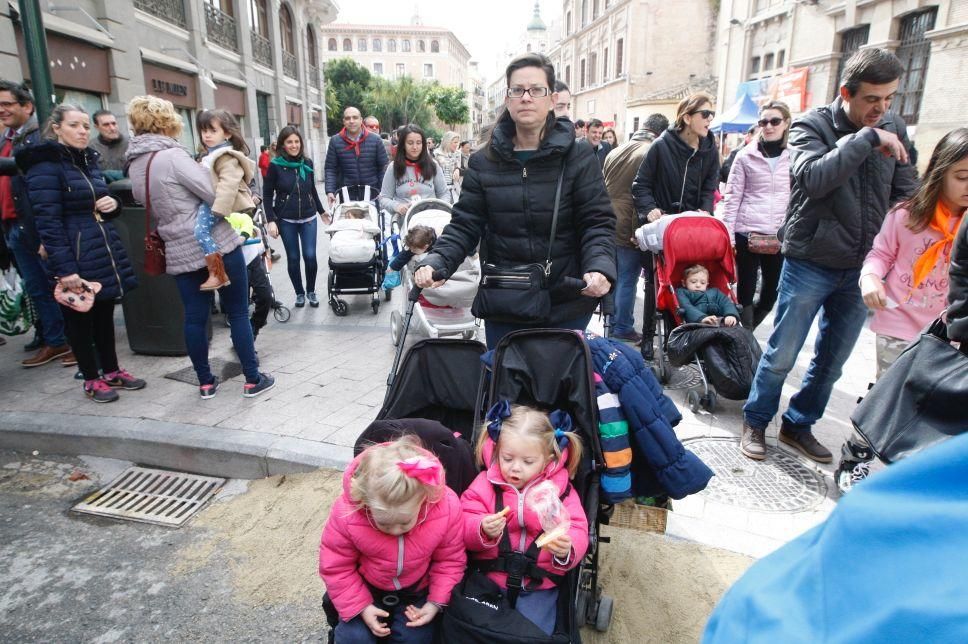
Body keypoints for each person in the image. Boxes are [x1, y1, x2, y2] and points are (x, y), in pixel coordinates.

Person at [740, 48, 918, 463]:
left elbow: (908, 191)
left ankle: (798, 425)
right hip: (809, 261)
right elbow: (814, 178)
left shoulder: (894, 126)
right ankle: (756, 420)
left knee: (832, 361)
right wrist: (867, 139)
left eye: (890, 98)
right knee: (782, 353)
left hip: (862, 268)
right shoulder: (811, 124)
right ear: (847, 92)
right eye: (873, 99)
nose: (883, 108)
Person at [414, 53, 615, 349]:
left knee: (560, 389)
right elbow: (465, 225)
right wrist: (438, 261)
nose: (526, 97)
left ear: (551, 98)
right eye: (517, 90)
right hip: (505, 296)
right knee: (506, 388)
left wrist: (599, 266)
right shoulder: (483, 161)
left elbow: (596, 220)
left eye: (536, 90)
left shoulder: (579, 156)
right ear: (507, 99)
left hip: (566, 299)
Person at [833, 127, 968, 492]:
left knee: (931, 407)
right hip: (898, 325)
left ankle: (908, 472)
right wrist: (871, 279)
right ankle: (855, 457)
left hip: (947, 334)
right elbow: (880, 254)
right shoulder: (906, 216)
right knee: (887, 395)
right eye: (962, 177)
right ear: (940, 171)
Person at [126, 95, 275, 399]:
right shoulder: (173, 156)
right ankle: (251, 378)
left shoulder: (135, 164)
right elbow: (211, 193)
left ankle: (205, 383)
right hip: (215, 244)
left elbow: (146, 204)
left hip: (177, 248)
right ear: (165, 121)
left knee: (194, 318)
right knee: (236, 313)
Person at [16, 104, 141, 402]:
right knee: (80, 322)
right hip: (73, 254)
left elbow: (97, 201)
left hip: (99, 248)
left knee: (103, 316)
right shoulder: (45, 167)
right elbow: (47, 222)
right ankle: (91, 378)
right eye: (75, 125)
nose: (83, 131)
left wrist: (113, 205)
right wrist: (65, 269)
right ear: (57, 127)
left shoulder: (86, 161)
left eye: (86, 126)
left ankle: (110, 371)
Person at [319, 436, 465, 643]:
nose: (395, 531)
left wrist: (436, 602)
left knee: (418, 637)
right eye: (385, 524)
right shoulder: (348, 513)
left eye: (405, 523)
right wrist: (360, 606)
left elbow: (450, 560)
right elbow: (336, 565)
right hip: (366, 589)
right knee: (354, 637)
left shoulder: (445, 508)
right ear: (366, 503)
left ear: (423, 499)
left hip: (416, 592)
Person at [461, 402, 589, 635]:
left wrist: (567, 549)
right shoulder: (486, 483)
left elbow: (579, 527)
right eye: (507, 459)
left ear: (548, 458)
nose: (515, 469)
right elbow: (464, 518)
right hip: (489, 579)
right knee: (473, 630)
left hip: (539, 585)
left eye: (527, 462)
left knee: (533, 635)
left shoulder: (560, 490)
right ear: (497, 451)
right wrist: (481, 529)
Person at [631, 92, 721, 360]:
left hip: (692, 228)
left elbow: (709, 187)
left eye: (711, 114)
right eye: (705, 114)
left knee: (688, 279)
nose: (709, 120)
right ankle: (648, 336)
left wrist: (706, 209)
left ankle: (684, 336)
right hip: (661, 227)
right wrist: (650, 210)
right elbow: (641, 184)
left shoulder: (709, 148)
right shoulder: (661, 146)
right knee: (655, 282)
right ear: (686, 117)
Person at [0, 80, 74, 367]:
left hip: (33, 226)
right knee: (36, 287)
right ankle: (54, 340)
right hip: (13, 227)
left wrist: (45, 234)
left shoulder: (38, 139)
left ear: (26, 106)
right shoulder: (7, 137)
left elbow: (45, 194)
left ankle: (70, 340)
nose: (2, 110)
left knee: (55, 285)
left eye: (7, 104)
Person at [722, 101, 792, 330]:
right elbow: (732, 196)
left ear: (786, 123)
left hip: (779, 233)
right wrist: (729, 235)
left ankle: (748, 330)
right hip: (747, 230)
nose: (769, 126)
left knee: (772, 292)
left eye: (775, 121)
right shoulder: (745, 156)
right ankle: (746, 338)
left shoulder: (795, 155)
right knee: (745, 290)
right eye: (763, 122)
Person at [603, 113, 670, 344]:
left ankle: (612, 324)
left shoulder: (617, 150)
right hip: (626, 223)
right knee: (627, 278)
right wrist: (636, 232)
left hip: (606, 220)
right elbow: (638, 196)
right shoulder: (649, 152)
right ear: (660, 133)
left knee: (612, 276)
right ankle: (622, 327)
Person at [263, 126, 326, 308]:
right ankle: (299, 293)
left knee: (310, 256)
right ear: (283, 144)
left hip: (308, 217)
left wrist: (321, 211)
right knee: (293, 258)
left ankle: (311, 291)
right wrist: (271, 220)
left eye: (297, 141)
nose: (294, 145)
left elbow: (312, 189)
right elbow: (267, 195)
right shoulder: (275, 166)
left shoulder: (307, 163)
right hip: (286, 220)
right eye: (290, 142)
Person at [194, 109, 256, 291]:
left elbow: (228, 184)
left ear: (227, 133)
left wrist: (218, 209)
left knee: (200, 231)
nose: (207, 135)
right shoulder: (213, 154)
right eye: (204, 131)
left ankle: (217, 274)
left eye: (213, 131)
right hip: (212, 202)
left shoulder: (226, 156)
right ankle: (217, 273)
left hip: (214, 204)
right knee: (202, 232)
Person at [379, 124, 450, 220]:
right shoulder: (393, 167)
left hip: (431, 219)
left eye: (418, 143)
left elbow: (444, 194)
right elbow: (384, 198)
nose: (415, 147)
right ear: (403, 144)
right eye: (410, 143)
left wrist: (439, 208)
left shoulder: (433, 165)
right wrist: (397, 206)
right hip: (405, 221)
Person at [324, 106, 388, 207]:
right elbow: (330, 168)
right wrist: (330, 190)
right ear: (343, 121)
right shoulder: (335, 141)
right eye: (348, 118)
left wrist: (383, 190)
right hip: (346, 196)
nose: (351, 121)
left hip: (373, 195)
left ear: (361, 120)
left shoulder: (375, 140)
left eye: (355, 117)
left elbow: (383, 168)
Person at [676, 264, 740, 326]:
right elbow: (686, 306)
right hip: (697, 322)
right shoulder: (682, 292)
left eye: (702, 283)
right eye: (693, 282)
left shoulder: (715, 292)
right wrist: (701, 318)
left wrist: (730, 315)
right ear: (684, 283)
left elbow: (726, 303)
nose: (698, 285)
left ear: (707, 284)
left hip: (720, 320)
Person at [382, 224, 436, 291]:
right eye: (410, 248)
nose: (412, 251)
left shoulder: (436, 247)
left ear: (425, 247)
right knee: (407, 253)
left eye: (414, 249)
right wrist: (392, 267)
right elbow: (402, 257)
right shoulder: (413, 246)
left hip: (431, 267)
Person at [88, 110, 128, 182]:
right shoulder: (90, 148)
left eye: (114, 123)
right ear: (96, 127)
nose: (112, 128)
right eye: (106, 125)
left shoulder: (132, 145)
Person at [434, 131, 462, 201]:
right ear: (448, 142)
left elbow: (459, 168)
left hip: (455, 189)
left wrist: (457, 169)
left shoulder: (457, 154)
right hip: (440, 191)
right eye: (455, 142)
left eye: (458, 142)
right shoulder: (436, 154)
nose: (457, 144)